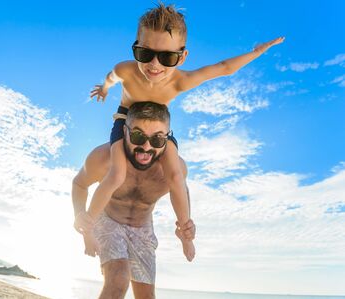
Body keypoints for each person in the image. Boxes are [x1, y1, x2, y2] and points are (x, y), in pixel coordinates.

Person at [83, 2, 284, 262]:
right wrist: (105, 88)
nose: (154, 65)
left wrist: (257, 52)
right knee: (117, 173)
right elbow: (112, 76)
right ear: (136, 48)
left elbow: (224, 68)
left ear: (182, 56)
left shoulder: (181, 81)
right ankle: (88, 226)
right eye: (145, 53)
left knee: (176, 173)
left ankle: (185, 231)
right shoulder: (126, 70)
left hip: (158, 127)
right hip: (126, 120)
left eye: (166, 57)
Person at [73, 102, 196, 298]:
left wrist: (186, 229)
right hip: (108, 219)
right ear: (125, 130)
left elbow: (182, 190)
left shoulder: (174, 170)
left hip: (143, 227)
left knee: (146, 296)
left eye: (157, 139)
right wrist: (80, 215)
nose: (146, 147)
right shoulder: (104, 158)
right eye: (138, 136)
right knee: (118, 280)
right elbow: (79, 184)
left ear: (167, 138)